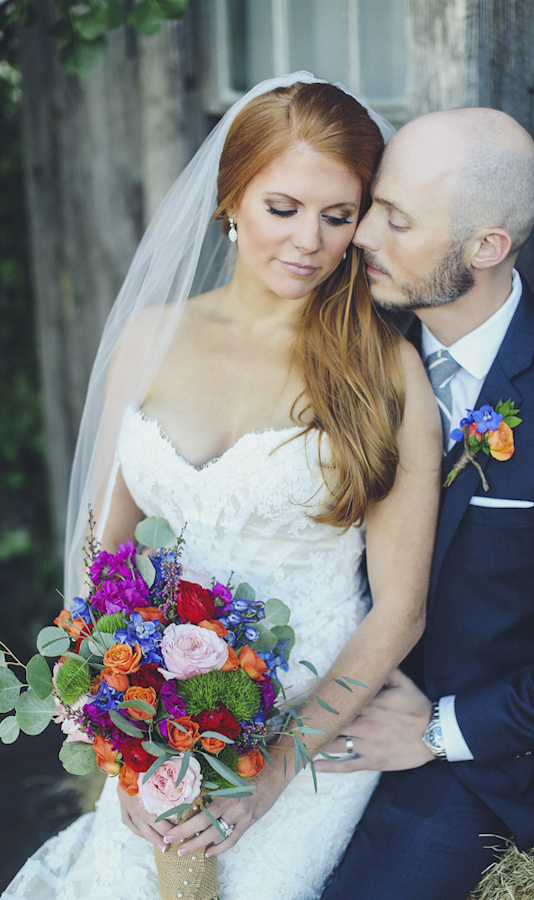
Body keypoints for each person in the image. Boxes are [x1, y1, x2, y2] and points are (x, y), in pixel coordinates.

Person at [2, 74, 441, 900]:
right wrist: (127, 746)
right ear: (230, 198)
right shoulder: (150, 335)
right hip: (161, 719)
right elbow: (106, 554)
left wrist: (273, 771)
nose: (308, 241)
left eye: (337, 215)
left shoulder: (385, 372)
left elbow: (400, 608)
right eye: (283, 208)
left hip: (311, 725)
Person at [316, 106, 534, 900]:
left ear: (486, 247)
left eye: (397, 219)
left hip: (474, 768)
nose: (363, 234)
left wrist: (440, 731)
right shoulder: (353, 345)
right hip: (320, 704)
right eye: (373, 205)